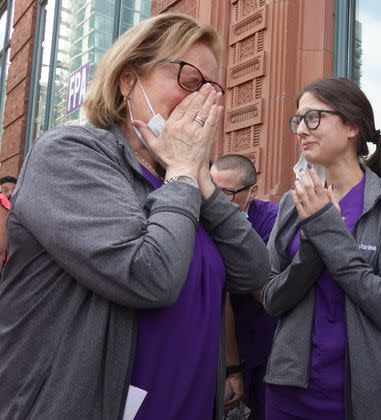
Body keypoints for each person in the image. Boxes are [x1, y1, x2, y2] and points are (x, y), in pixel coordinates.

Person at [0, 13, 270, 419]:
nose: (202, 101)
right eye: (189, 80)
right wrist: (183, 173)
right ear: (129, 80)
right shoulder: (69, 153)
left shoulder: (181, 180)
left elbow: (255, 272)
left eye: (212, 90)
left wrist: (201, 180)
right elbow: (147, 276)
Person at [262, 77, 381, 419]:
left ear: (351, 126)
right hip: (290, 389)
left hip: (364, 395)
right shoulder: (293, 202)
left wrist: (326, 232)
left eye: (313, 117)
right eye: (298, 120)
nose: (301, 129)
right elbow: (271, 299)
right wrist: (310, 250)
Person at [210, 154, 279, 419]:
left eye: (226, 192)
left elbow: (266, 290)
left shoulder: (271, 220)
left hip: (264, 343)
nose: (214, 199)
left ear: (252, 192)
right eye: (211, 188)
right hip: (217, 346)